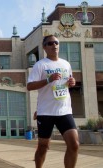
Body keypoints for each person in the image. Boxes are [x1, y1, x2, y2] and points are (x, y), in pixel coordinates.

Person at [27, 35, 79, 168]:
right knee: (43, 147)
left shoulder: (66, 64)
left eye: (56, 42)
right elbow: (29, 86)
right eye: (50, 43)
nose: (54, 45)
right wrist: (48, 80)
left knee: (74, 145)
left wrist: (71, 82)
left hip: (64, 111)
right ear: (44, 47)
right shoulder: (40, 65)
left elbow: (67, 82)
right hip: (46, 112)